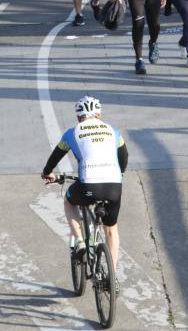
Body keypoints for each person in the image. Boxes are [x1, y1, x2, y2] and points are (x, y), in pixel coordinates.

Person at [41, 96, 129, 276]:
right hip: (113, 185)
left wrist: (47, 173)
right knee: (111, 229)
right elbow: (124, 156)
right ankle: (111, 276)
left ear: (79, 117)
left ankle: (80, 242)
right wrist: (119, 174)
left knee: (69, 201)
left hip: (88, 184)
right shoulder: (113, 131)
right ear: (99, 114)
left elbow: (56, 156)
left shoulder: (71, 133)